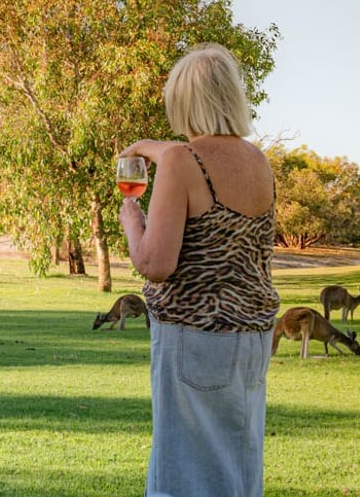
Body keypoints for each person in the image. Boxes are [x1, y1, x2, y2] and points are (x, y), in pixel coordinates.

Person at [119, 43, 279, 497]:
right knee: (234, 471)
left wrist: (133, 222)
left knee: (182, 474)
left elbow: (156, 264)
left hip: (194, 338)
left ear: (183, 101)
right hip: (251, 341)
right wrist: (153, 148)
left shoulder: (182, 163)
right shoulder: (259, 162)